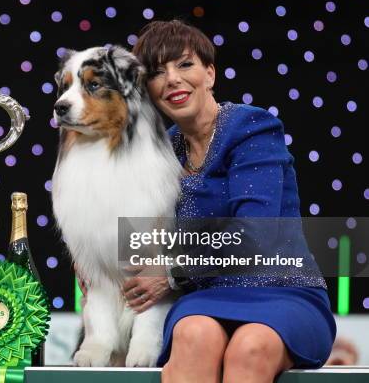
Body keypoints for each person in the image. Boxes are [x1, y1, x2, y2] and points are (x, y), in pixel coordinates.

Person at [122, 20, 336, 382]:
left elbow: (255, 235)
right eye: (158, 72)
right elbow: (140, 233)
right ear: (149, 91)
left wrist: (173, 274)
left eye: (185, 64)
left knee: (250, 346)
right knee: (194, 336)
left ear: (210, 74)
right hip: (205, 299)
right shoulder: (160, 153)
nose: (172, 78)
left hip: (281, 291)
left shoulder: (252, 128)